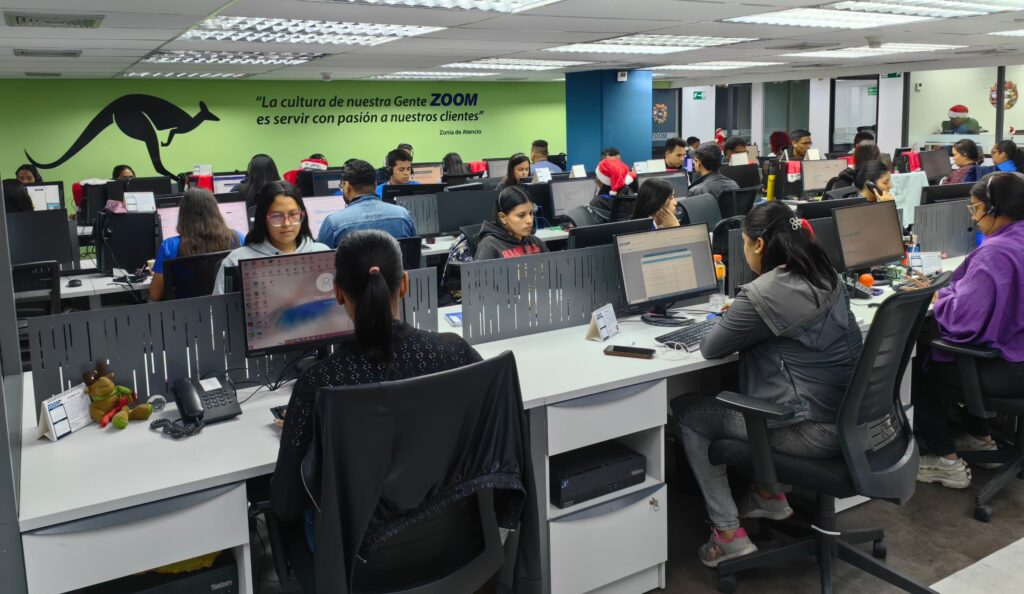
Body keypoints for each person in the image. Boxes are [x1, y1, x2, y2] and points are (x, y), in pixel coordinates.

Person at [270, 229, 482, 591]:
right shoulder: (454, 353)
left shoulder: (319, 383)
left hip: (359, 563)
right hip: (455, 540)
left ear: (338, 293)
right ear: (405, 285)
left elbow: (286, 502)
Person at [675, 201, 862, 568]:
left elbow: (711, 348)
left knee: (688, 413)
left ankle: (728, 534)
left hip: (811, 430)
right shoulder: (825, 272)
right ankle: (769, 494)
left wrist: (739, 313)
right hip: (854, 422)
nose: (745, 251)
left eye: (745, 243)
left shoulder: (765, 291)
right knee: (733, 385)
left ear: (759, 244)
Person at [910, 172, 1024, 489]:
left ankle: (947, 463)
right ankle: (981, 437)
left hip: (1008, 369)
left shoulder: (997, 252)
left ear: (995, 208)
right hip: (1017, 357)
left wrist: (940, 297)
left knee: (917, 367)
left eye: (975, 208)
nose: (973, 218)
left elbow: (964, 322)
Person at [214, 181, 330, 294]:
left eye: (293, 214)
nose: (286, 224)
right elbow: (223, 306)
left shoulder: (323, 254)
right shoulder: (235, 262)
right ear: (263, 219)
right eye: (276, 216)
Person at [150, 188, 243, 301]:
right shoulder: (238, 239)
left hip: (187, 311)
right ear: (215, 212)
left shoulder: (169, 247)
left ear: (183, 215)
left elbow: (155, 295)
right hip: (229, 308)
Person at [319, 159, 416, 248]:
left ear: (347, 186)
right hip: (394, 262)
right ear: (375, 184)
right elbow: (414, 251)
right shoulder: (403, 215)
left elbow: (320, 258)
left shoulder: (333, 223)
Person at [476, 186, 549, 260]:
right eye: (521, 215)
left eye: (531, 213)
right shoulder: (489, 246)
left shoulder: (535, 242)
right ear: (503, 217)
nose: (530, 220)